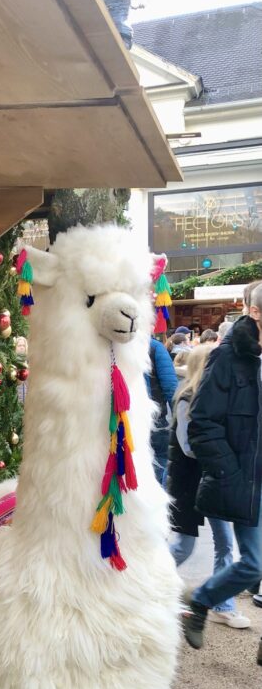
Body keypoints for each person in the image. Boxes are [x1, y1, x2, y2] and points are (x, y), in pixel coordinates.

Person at [181, 282, 262, 658]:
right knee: (253, 563)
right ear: (255, 312)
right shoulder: (227, 356)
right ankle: (203, 599)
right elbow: (202, 423)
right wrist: (229, 472)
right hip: (246, 479)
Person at [167, 344, 250, 629]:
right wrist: (223, 452)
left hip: (213, 479)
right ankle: (148, 586)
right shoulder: (186, 398)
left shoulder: (215, 398)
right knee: (183, 547)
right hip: (190, 483)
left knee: (225, 543)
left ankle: (223, 605)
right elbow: (189, 446)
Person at [147, 333, 178, 485]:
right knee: (160, 461)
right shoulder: (155, 347)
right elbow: (171, 388)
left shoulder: (112, 348)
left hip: (122, 421)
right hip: (155, 419)